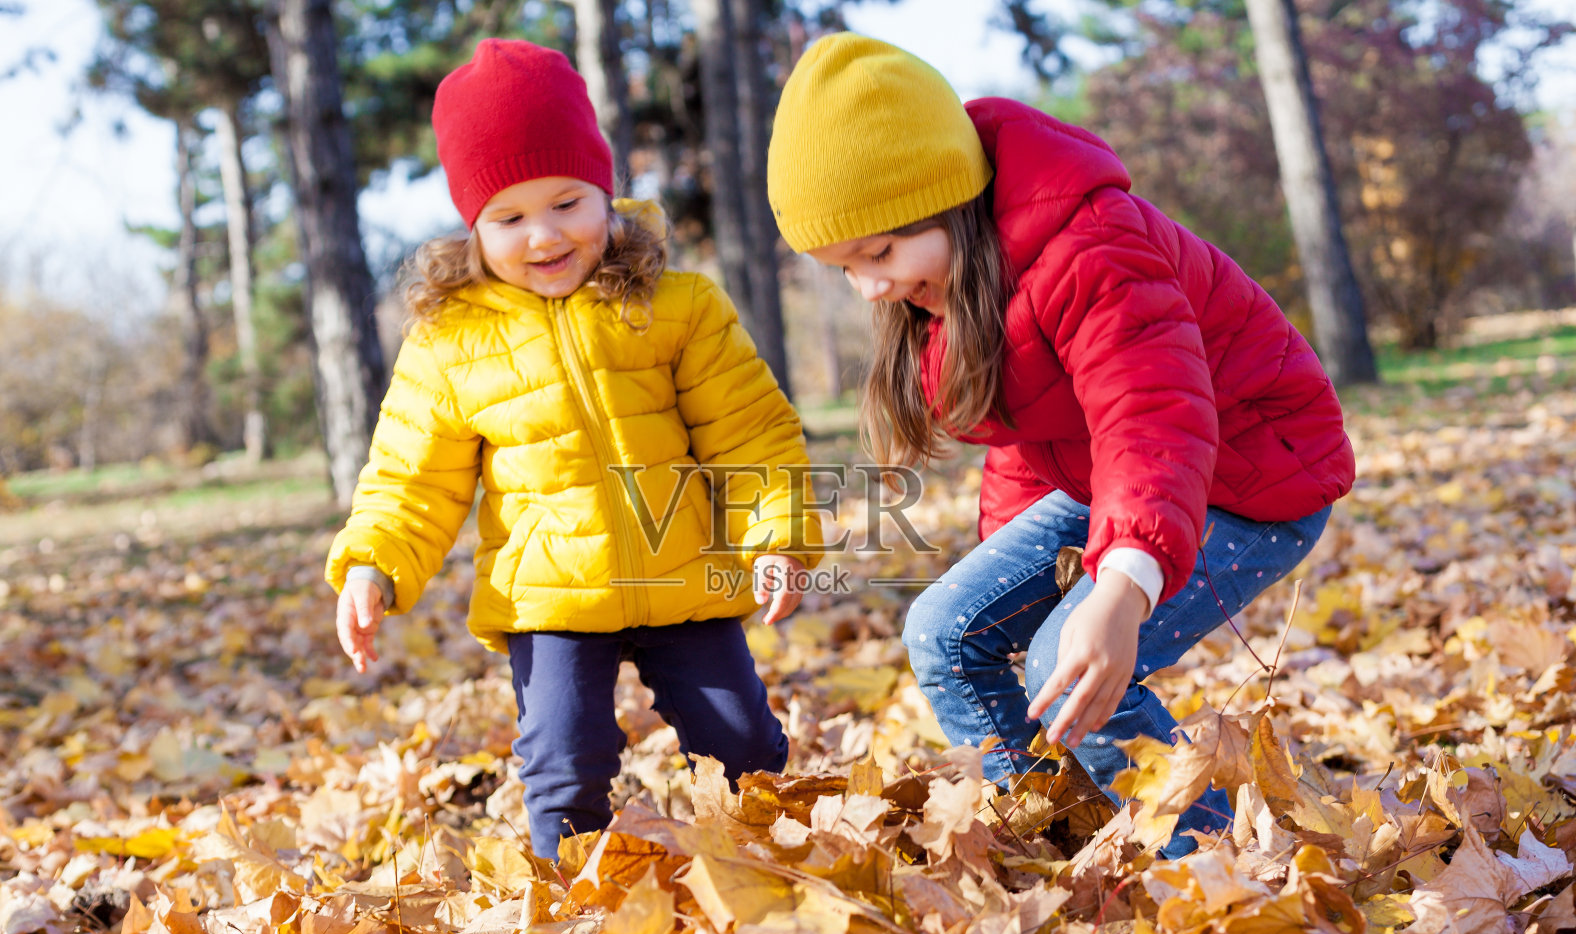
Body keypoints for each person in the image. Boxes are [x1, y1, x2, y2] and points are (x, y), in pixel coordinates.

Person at [766, 33, 1354, 858]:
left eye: (882, 252)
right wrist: (1010, 569)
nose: (872, 286)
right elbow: (1033, 438)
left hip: (1255, 475)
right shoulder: (957, 290)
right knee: (945, 629)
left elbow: (1151, 417)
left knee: (1065, 664)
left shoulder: (1092, 247)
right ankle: (1057, 831)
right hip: (1121, 479)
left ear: (949, 195)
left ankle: (1211, 865)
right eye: (845, 268)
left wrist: (1120, 586)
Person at [327, 39, 821, 860]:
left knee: (743, 749)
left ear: (607, 193)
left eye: (567, 203)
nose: (544, 235)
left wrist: (778, 532)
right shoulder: (452, 341)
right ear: (472, 227)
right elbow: (410, 475)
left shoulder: (677, 305)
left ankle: (774, 870)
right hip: (549, 599)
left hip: (684, 571)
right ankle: (571, 912)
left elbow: (751, 432)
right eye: (509, 218)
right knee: (563, 765)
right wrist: (373, 560)